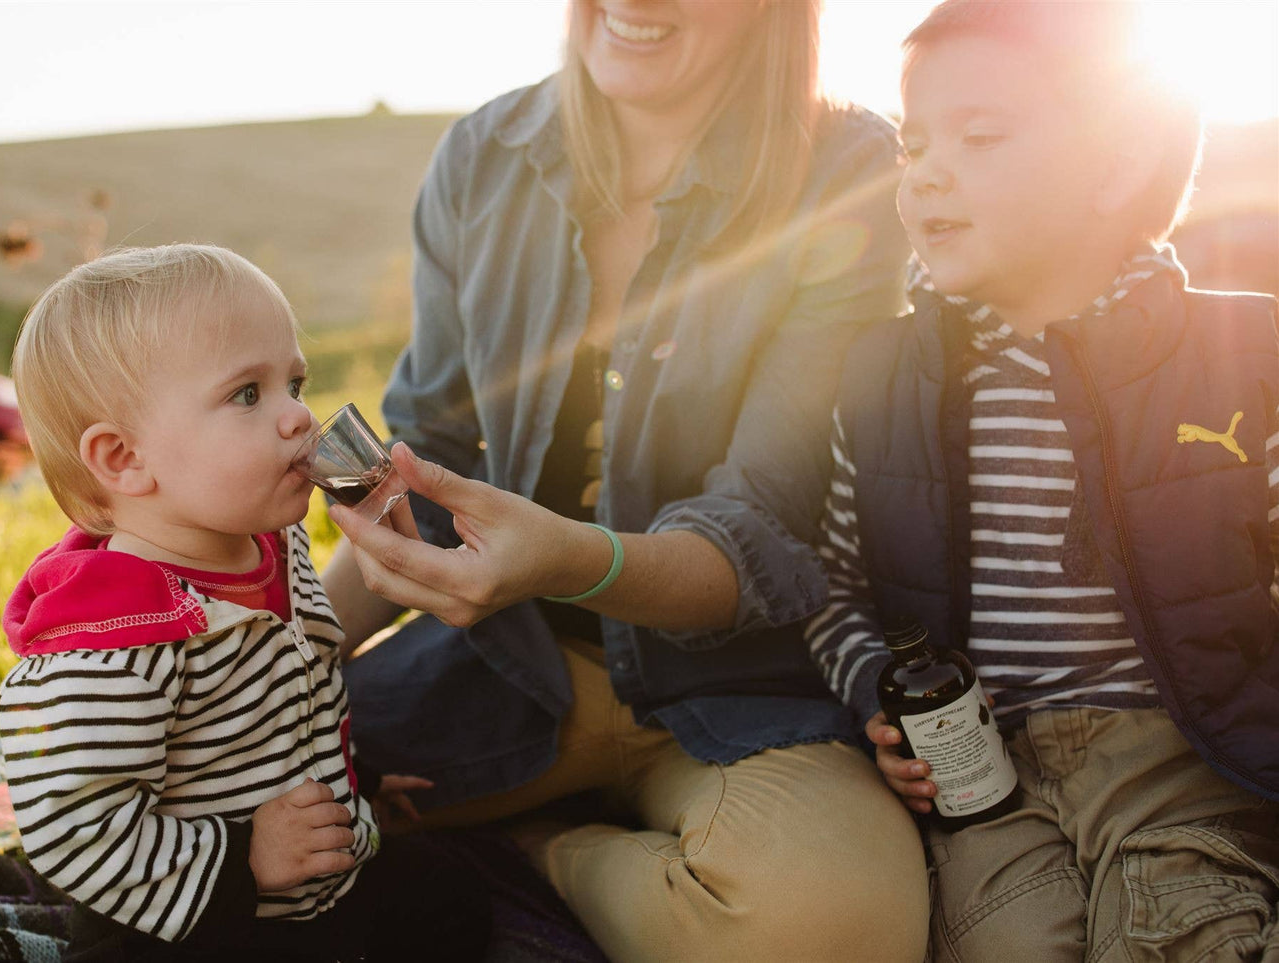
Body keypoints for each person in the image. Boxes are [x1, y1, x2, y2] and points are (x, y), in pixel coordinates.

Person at [320, 2, 928, 959]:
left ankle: (539, 851)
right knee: (208, 799)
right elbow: (421, 453)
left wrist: (563, 560)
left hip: (731, 692)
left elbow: (759, 527)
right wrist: (276, 661)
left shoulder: (848, 171)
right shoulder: (484, 156)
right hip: (493, 667)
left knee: (831, 924)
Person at [803, 2, 1279, 960]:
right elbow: (832, 586)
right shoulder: (883, 377)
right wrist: (874, 700)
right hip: (985, 779)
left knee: (1182, 930)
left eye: (976, 138)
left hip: (1181, 758)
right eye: (912, 143)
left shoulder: (1241, 353)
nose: (924, 171)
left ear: (1115, 167)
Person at [0, 244, 490, 962]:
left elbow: (297, 697)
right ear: (124, 459)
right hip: (193, 916)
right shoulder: (115, 635)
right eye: (248, 395)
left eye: (295, 381)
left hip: (311, 882)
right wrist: (244, 857)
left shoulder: (271, 550)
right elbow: (72, 828)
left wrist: (360, 781)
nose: (297, 416)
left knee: (453, 899)